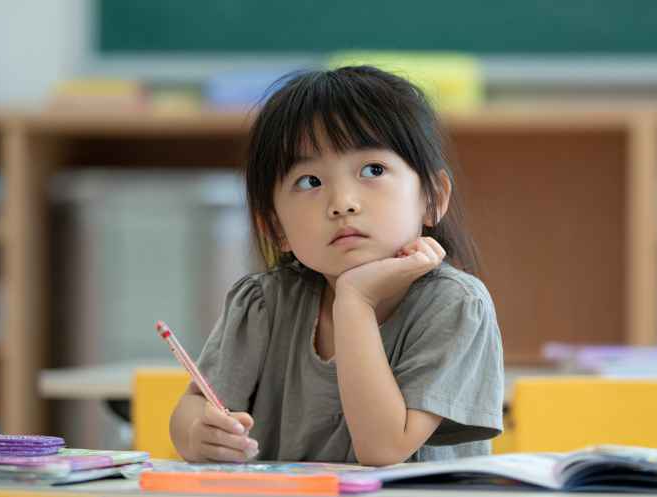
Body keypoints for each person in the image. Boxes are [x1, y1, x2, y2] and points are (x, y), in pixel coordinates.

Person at [170, 66, 504, 466]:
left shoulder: (453, 304)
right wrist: (197, 434)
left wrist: (355, 300)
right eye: (310, 181)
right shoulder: (264, 302)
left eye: (373, 170)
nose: (343, 202)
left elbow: (382, 450)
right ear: (275, 227)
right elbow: (194, 404)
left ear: (432, 197)